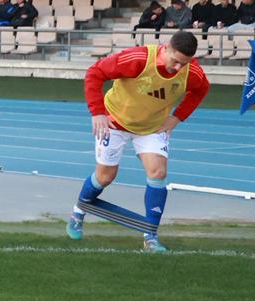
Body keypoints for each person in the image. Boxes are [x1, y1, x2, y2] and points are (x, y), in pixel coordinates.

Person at [67, 31, 209, 252]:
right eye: (175, 61)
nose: (178, 68)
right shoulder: (138, 59)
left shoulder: (192, 72)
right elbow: (95, 72)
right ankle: (78, 212)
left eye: (184, 64)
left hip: (152, 127)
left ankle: (150, 236)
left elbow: (201, 90)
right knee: (105, 176)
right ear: (165, 48)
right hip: (115, 122)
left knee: (158, 172)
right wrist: (97, 112)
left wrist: (177, 118)